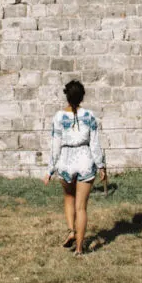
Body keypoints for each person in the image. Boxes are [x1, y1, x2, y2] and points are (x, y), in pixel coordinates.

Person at [44, 79, 106, 257]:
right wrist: (101, 165)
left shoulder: (58, 117)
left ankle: (71, 230)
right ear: (82, 97)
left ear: (66, 96)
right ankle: (79, 248)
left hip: (66, 160)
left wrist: (49, 170)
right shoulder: (90, 116)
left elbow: (55, 145)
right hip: (85, 159)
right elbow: (94, 143)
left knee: (68, 198)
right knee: (82, 207)